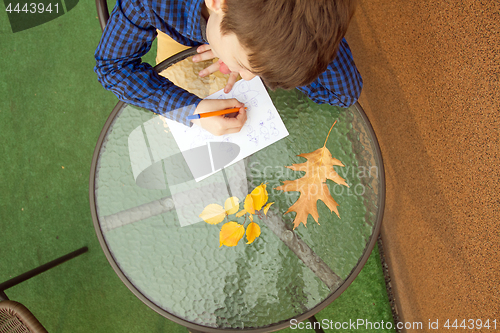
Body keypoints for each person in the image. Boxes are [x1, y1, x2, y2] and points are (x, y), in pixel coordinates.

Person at [94, 0, 362, 136]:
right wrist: (193, 110)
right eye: (246, 67)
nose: (248, 78)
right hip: (179, 26)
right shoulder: (152, 2)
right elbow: (112, 66)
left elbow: (343, 94)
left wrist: (248, 52)